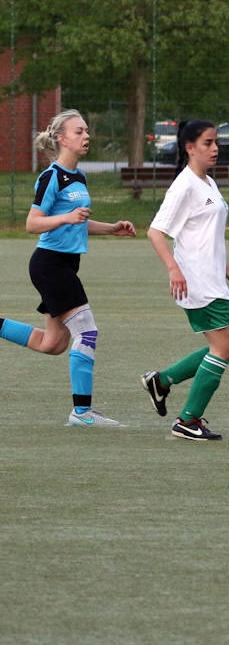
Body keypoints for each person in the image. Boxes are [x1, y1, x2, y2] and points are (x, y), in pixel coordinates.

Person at [0, 109, 136, 427]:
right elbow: (32, 223)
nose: (86, 136)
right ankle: (82, 413)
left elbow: (79, 224)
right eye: (79, 131)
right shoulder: (52, 176)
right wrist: (65, 217)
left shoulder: (79, 177)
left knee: (54, 344)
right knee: (87, 333)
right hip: (50, 265)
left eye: (86, 131)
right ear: (61, 139)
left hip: (63, 266)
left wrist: (111, 228)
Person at [140, 119, 229, 441]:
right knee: (225, 346)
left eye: (216, 143)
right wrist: (174, 269)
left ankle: (162, 381)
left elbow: (205, 235)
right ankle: (188, 420)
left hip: (214, 278)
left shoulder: (208, 183)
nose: (215, 148)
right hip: (196, 281)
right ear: (189, 147)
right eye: (207, 143)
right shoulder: (184, 185)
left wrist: (227, 268)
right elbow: (156, 232)